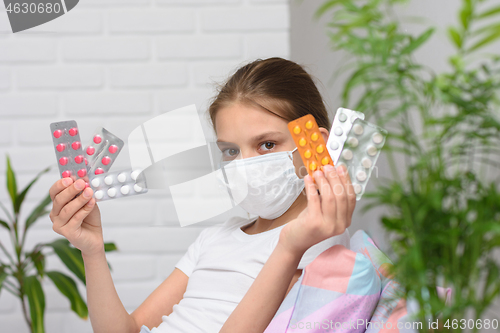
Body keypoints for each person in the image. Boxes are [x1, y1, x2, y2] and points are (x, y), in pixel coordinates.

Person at [48, 57, 356, 333]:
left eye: (266, 144)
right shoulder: (215, 237)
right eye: (230, 151)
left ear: (314, 146)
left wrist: (290, 247)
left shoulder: (318, 247)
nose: (243, 166)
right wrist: (91, 250)